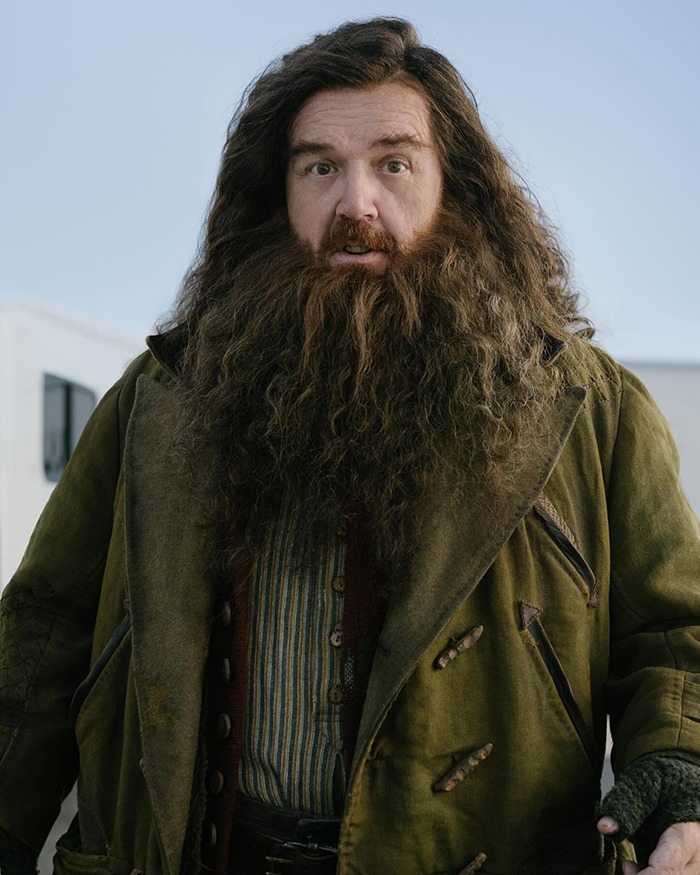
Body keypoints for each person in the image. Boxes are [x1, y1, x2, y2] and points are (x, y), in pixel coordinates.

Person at [0, 17, 699, 875]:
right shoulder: (159, 402)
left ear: (456, 191)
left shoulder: (595, 411)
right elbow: (39, 638)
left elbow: (673, 635)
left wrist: (679, 769)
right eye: (320, 167)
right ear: (278, 192)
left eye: (394, 164)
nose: (356, 204)